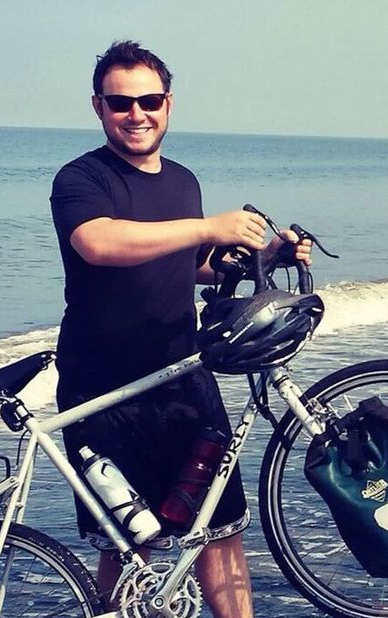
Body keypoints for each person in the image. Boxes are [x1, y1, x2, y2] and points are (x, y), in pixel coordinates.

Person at [49, 41, 310, 617]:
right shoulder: (80, 179)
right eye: (121, 102)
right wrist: (206, 225)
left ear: (169, 103)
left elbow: (188, 265)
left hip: (183, 373)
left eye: (149, 100)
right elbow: (99, 243)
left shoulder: (182, 182)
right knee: (128, 542)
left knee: (219, 529)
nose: (136, 113)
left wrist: (263, 251)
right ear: (99, 107)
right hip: (103, 389)